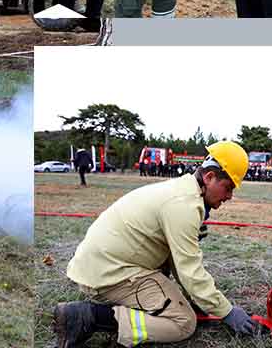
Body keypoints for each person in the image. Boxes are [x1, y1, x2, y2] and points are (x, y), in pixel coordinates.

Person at [55, 142, 260, 347]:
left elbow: (176, 262)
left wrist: (200, 300)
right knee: (184, 323)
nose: (229, 196)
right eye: (228, 187)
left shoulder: (181, 190)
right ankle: (89, 317)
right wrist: (227, 311)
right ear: (209, 177)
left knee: (180, 304)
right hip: (109, 275)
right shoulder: (184, 206)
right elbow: (189, 271)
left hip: (100, 266)